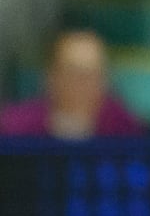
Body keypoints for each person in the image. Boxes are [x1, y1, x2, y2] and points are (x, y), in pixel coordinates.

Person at [0, 30, 142, 139]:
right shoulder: (13, 128)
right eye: (74, 73)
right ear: (51, 77)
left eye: (92, 75)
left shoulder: (124, 128)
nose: (83, 84)